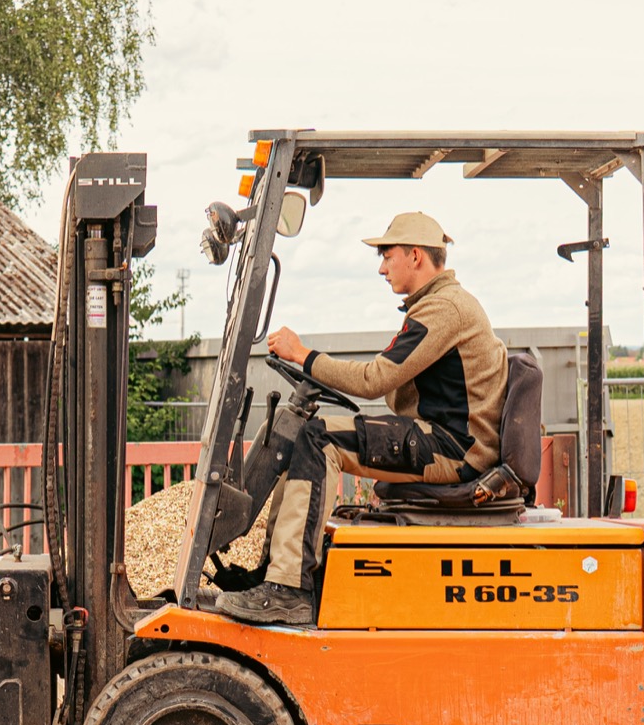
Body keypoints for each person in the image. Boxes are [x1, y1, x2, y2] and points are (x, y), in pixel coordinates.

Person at [214, 211, 515, 626]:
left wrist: (305, 356)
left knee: (319, 440)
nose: (381, 267)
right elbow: (390, 383)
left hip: (453, 449)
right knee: (303, 432)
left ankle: (288, 589)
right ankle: (273, 574)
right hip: (444, 440)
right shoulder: (436, 306)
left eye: (386, 255)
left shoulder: (444, 309)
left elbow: (376, 380)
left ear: (414, 256)